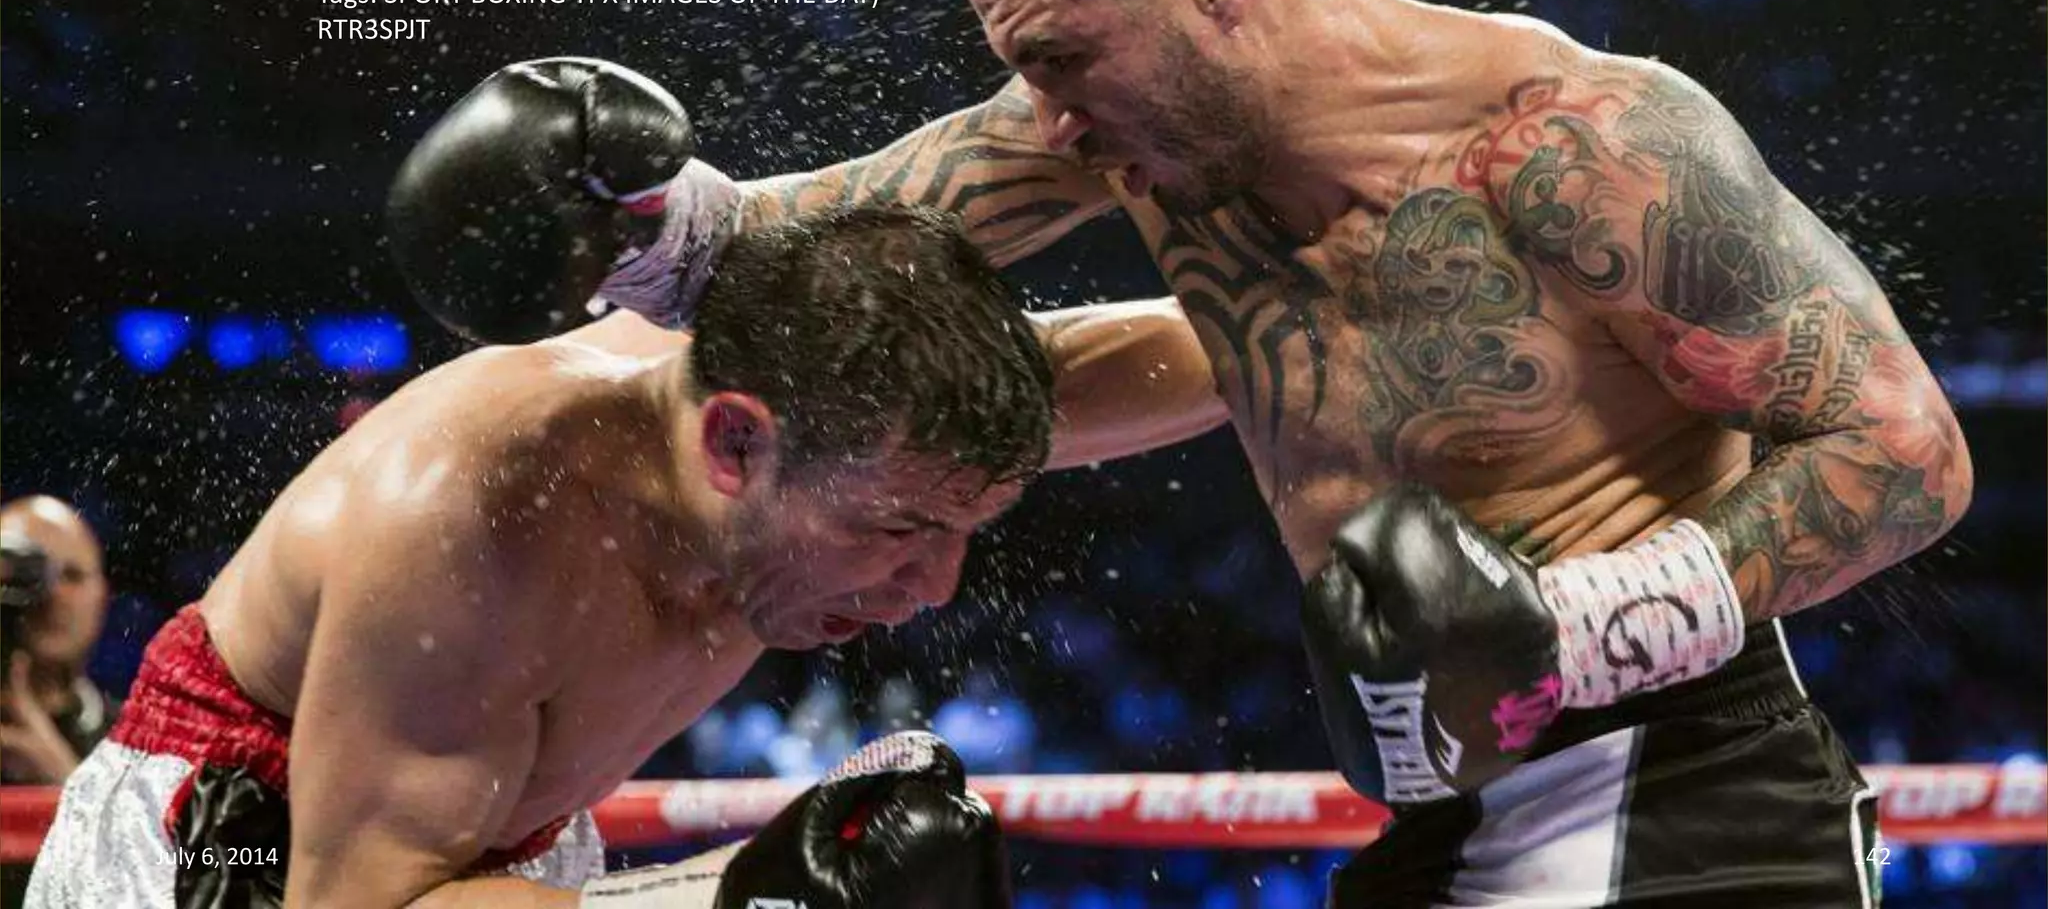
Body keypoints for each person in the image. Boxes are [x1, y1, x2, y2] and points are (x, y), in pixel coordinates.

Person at [394, 0, 1971, 902]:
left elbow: (1904, 449)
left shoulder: (1582, 143)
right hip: (1445, 813)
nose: (1053, 119)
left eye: (1069, 59)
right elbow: (836, 239)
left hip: (1680, 791)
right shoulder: (1131, 127)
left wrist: (1582, 627)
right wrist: (644, 229)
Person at [24, 197, 1214, 909]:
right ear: (733, 444)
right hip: (240, 851)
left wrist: (1358, 310)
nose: (931, 584)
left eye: (963, 527)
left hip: (503, 852)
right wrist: (726, 896)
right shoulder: (475, 519)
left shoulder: (870, 409)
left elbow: (1225, 357)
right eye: (898, 530)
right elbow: (361, 902)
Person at [0, 495, 115, 787]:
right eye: (27, 575)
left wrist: (62, 779)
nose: (53, 593)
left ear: (102, 597)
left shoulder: (143, 741)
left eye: (72, 576)